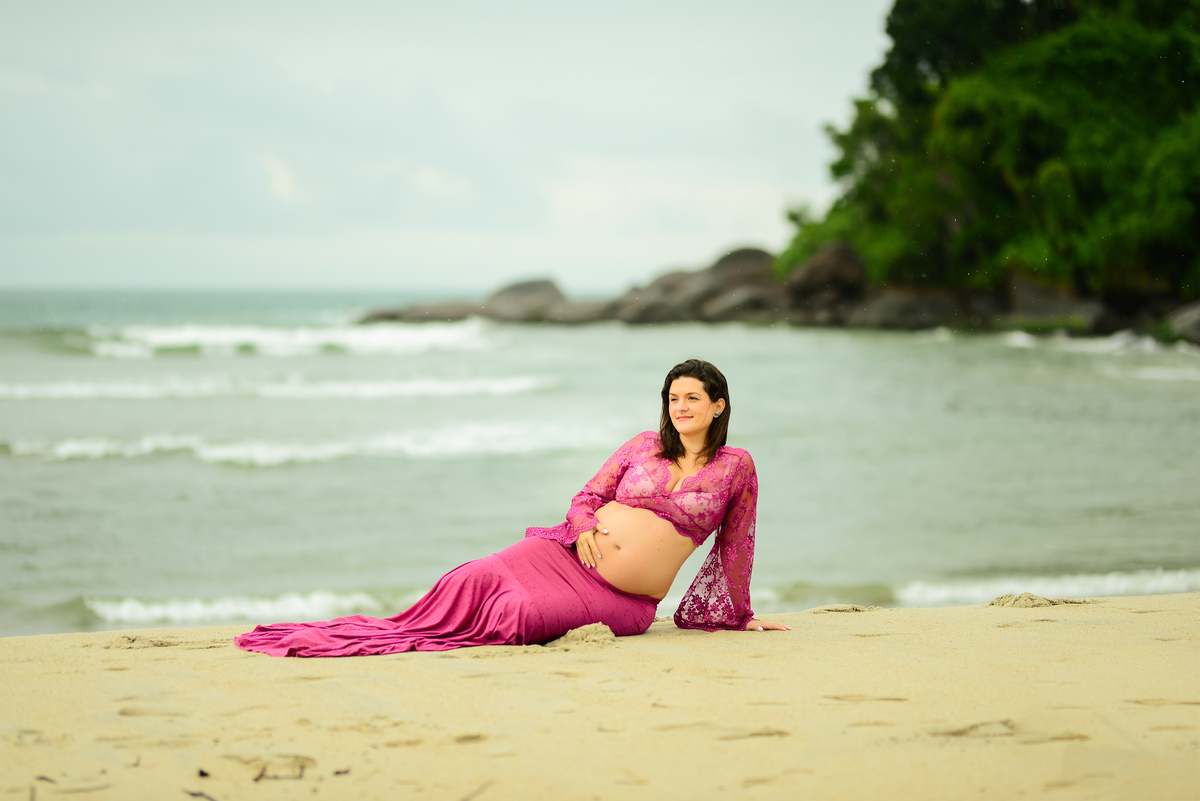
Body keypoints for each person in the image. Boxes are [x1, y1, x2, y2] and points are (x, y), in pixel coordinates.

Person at [234, 358, 789, 658]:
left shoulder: (736, 467)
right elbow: (587, 496)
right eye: (673, 398)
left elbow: (737, 543)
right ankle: (383, 632)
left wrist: (737, 612)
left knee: (520, 617)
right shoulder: (645, 444)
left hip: (625, 598)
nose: (681, 407)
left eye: (693, 397)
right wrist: (582, 525)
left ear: (718, 405)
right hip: (564, 553)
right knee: (474, 577)